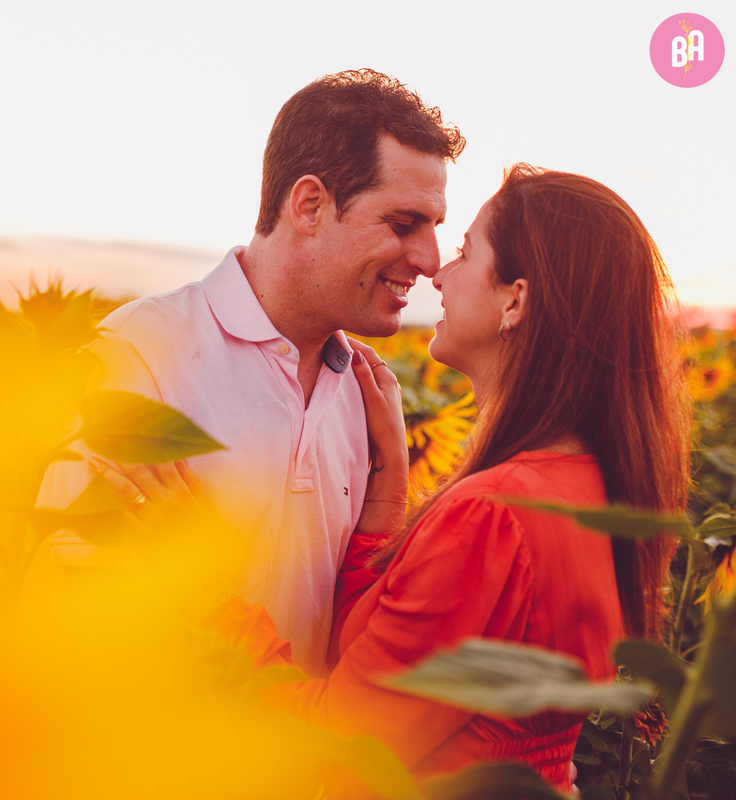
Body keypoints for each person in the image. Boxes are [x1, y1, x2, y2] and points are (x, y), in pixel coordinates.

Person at [94, 164, 691, 792]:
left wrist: (201, 587)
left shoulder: (492, 516)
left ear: (515, 300)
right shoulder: (583, 484)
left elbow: (338, 745)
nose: (438, 271)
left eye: (464, 251)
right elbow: (390, 663)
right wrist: (388, 493)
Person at [37, 70, 465, 676]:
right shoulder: (142, 353)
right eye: (403, 224)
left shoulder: (364, 393)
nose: (428, 260)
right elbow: (70, 610)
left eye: (435, 229)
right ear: (310, 205)